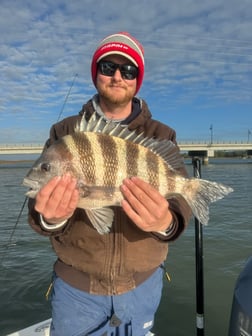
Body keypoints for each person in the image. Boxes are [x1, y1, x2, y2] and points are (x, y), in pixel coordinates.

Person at [28, 32, 192, 336]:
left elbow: (180, 200)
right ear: (96, 74)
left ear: (137, 79)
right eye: (108, 67)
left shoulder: (161, 135)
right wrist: (50, 217)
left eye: (128, 70)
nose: (118, 77)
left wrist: (166, 222)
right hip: (76, 289)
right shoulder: (64, 131)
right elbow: (37, 209)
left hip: (143, 285)